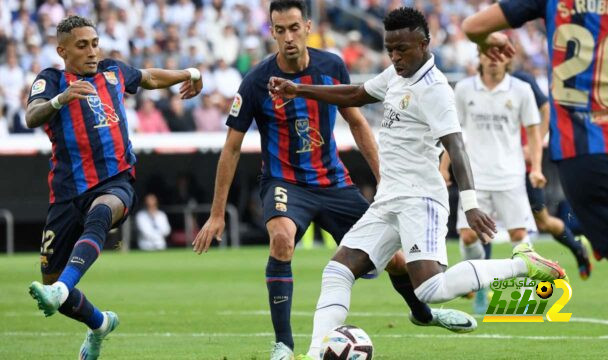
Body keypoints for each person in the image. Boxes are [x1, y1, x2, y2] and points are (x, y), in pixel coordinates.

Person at [268, 7, 567, 359]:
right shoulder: (398, 74)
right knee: (336, 270)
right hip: (389, 198)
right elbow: (357, 94)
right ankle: (317, 353)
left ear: (423, 44)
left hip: (420, 199)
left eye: (402, 50)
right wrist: (299, 90)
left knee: (430, 289)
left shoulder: (435, 88)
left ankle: (523, 265)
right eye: (389, 49)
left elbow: (456, 145)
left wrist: (470, 204)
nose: (395, 57)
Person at [192, 2, 475, 359]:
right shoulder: (255, 82)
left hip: (333, 182)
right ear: (271, 32)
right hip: (285, 183)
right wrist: (217, 214)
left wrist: (382, 177)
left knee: (399, 262)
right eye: (279, 30)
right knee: (281, 240)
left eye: (294, 27)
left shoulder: (331, 65)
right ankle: (283, 345)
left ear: (308, 26)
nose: (288, 37)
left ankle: (424, 313)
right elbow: (231, 148)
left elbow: (357, 123)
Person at [26, 15, 202, 360]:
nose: (92, 51)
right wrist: (61, 99)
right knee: (49, 284)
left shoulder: (113, 71)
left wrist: (191, 73)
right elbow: (32, 115)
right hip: (66, 195)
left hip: (116, 181)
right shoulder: (51, 80)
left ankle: (64, 287)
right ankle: (100, 324)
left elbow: (150, 77)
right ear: (62, 50)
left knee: (102, 211)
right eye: (82, 46)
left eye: (94, 43)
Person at [462, 0, 608, 320]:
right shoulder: (466, 89)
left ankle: (573, 251)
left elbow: (474, 27)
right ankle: (483, 291)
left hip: (578, 157)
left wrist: (535, 159)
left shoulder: (524, 80)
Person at [439, 47, 545, 314]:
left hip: (510, 175)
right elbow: (453, 132)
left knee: (519, 235)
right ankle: (479, 287)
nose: (494, 58)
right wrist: (444, 166)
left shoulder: (521, 89)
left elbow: (533, 131)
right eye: (489, 53)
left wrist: (536, 167)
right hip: (473, 177)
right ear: (480, 57)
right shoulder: (463, 89)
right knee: (466, 237)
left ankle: (526, 299)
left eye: (501, 54)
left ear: (508, 58)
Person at [511, 70, 592, 279]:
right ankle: (482, 287)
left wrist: (535, 142)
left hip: (526, 168)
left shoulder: (521, 79)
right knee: (482, 226)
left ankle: (577, 248)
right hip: (496, 169)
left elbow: (546, 107)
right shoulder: (478, 86)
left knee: (543, 222)